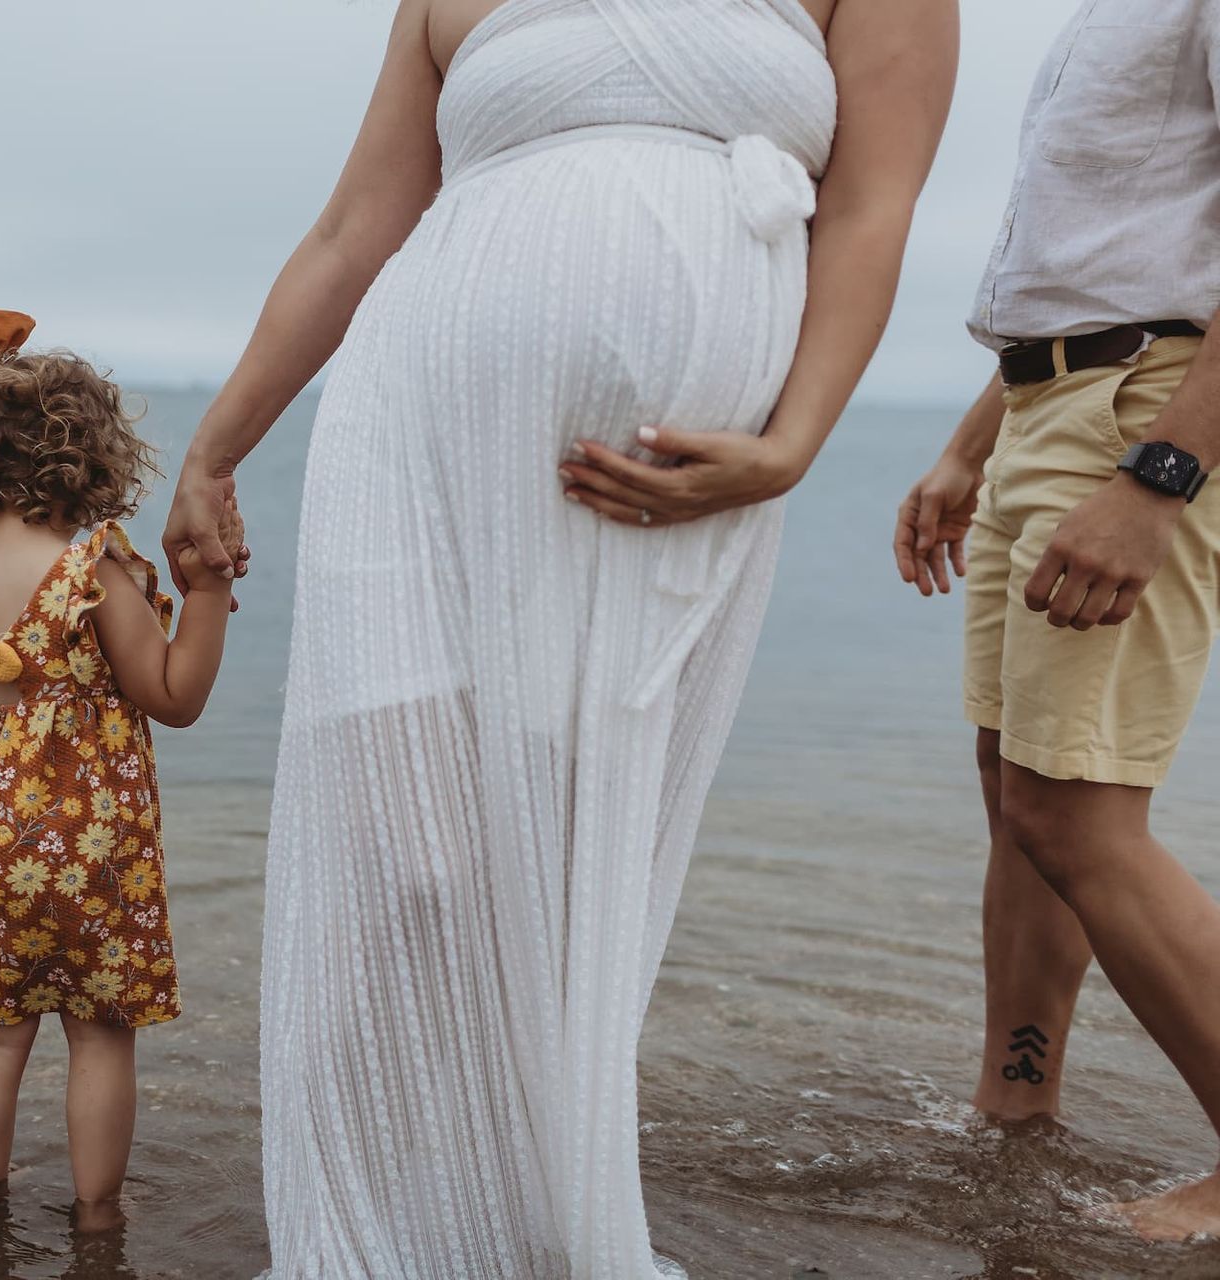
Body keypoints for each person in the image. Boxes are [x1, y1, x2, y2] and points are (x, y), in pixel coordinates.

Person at [161, 0, 955, 1273]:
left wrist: (795, 442)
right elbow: (351, 230)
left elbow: (872, 206)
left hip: (669, 477)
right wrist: (215, 446)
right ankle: (380, 1230)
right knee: (398, 833)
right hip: (410, 420)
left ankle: (532, 1219)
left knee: (580, 838)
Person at [896, 0, 1220, 1243]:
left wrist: (1163, 476)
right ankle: (1014, 1108)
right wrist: (972, 443)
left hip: (1144, 419)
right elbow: (1104, 260)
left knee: (1074, 809)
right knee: (1016, 788)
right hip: (1052, 408)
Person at [0, 310, 243, 1228]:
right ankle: (97, 1218)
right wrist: (212, 593)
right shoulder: (89, 574)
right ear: (98, 465)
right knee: (100, 1037)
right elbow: (173, 695)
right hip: (88, 847)